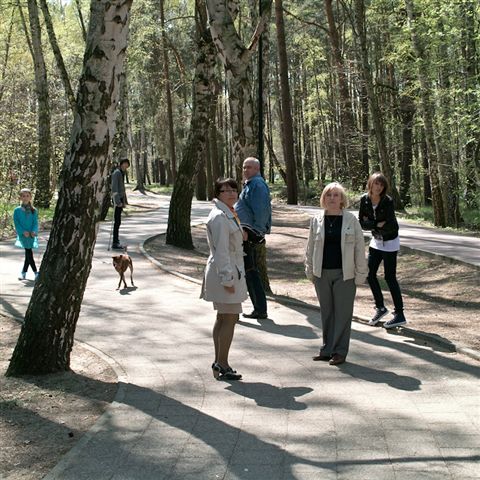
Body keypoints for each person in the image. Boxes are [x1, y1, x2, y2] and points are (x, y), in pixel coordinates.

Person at [305, 182, 367, 365]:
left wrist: (361, 273)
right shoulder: (316, 220)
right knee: (327, 313)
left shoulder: (351, 220)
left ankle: (340, 352)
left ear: (342, 199)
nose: (332, 198)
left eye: (336, 195)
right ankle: (327, 349)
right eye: (328, 195)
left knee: (343, 314)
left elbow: (359, 248)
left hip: (345, 274)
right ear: (323, 198)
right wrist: (309, 270)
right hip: (321, 273)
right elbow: (310, 247)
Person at [201, 178, 248, 381]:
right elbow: (221, 252)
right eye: (225, 190)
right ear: (218, 193)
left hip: (228, 270)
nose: (231, 193)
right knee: (229, 318)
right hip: (226, 272)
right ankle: (223, 363)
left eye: (233, 190)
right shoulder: (221, 216)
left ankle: (219, 361)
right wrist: (227, 279)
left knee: (223, 318)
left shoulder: (227, 213)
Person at [359, 172, 407, 329]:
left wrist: (371, 223)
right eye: (376, 183)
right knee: (369, 274)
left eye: (381, 184)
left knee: (389, 277)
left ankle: (399, 314)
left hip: (390, 241)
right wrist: (376, 224)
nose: (378, 187)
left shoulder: (387, 201)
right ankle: (380, 308)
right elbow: (362, 223)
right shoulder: (364, 200)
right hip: (376, 240)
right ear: (370, 184)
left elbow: (391, 225)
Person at [234, 157, 272, 320]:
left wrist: (256, 233)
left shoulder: (257, 185)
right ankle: (258, 308)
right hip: (245, 233)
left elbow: (262, 210)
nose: (246, 170)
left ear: (257, 169)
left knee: (250, 271)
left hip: (248, 234)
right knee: (248, 271)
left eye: (249, 167)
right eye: (244, 167)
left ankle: (260, 309)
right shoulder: (250, 184)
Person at [13, 188, 39, 281]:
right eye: (23, 196)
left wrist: (34, 231)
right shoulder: (17, 210)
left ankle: (23, 273)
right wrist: (23, 232)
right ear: (20, 197)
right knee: (29, 252)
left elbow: (35, 222)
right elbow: (16, 223)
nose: (25, 198)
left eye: (27, 196)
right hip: (23, 235)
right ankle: (36, 272)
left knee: (28, 253)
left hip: (31, 234)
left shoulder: (34, 210)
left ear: (30, 197)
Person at [111, 158, 130, 249]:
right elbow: (114, 188)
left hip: (120, 200)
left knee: (118, 222)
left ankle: (116, 241)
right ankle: (115, 242)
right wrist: (118, 202)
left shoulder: (122, 173)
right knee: (117, 222)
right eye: (125, 164)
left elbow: (122, 188)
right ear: (121, 164)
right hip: (117, 201)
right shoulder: (117, 173)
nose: (126, 166)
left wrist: (124, 202)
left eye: (127, 165)